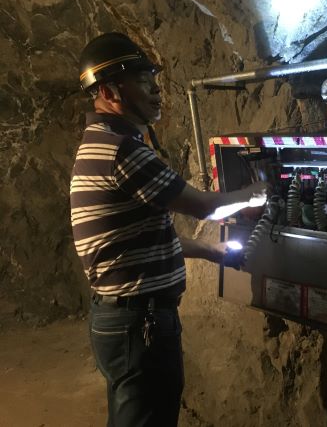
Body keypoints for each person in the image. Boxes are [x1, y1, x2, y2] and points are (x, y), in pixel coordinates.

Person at [70, 32, 266, 426]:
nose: (157, 92)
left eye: (154, 82)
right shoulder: (121, 150)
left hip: (123, 320)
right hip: (140, 323)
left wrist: (212, 252)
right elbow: (205, 208)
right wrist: (259, 193)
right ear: (108, 92)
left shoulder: (98, 144)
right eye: (143, 83)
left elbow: (138, 240)